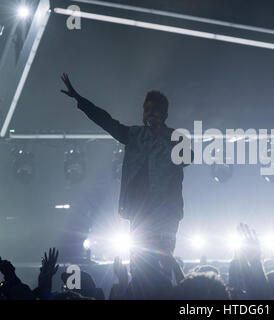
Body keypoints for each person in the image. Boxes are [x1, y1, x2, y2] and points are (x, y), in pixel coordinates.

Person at [60, 73, 192, 283]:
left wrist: (162, 133)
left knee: (163, 267)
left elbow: (187, 158)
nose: (148, 114)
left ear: (163, 114)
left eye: (153, 110)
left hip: (165, 215)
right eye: (146, 109)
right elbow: (107, 121)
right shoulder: (134, 135)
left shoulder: (176, 137)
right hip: (139, 214)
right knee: (139, 269)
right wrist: (80, 100)